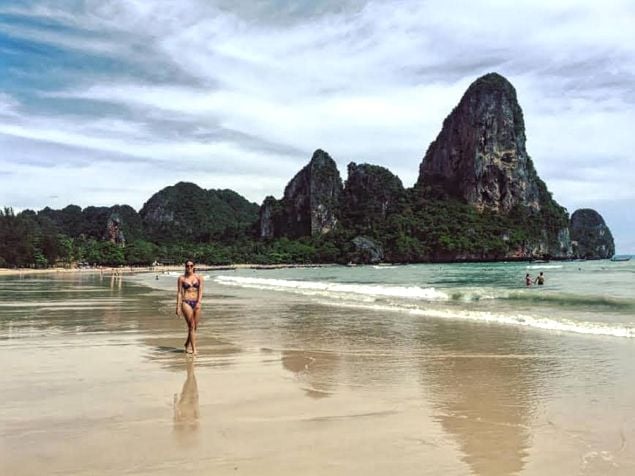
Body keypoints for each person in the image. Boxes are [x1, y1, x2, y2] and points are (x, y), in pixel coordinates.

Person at [176, 260, 204, 354]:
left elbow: (200, 290)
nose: (189, 267)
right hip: (186, 302)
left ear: (194, 266)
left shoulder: (199, 277)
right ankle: (194, 349)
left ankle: (187, 344)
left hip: (196, 302)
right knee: (191, 326)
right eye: (187, 266)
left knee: (194, 327)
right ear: (185, 267)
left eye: (191, 265)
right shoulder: (181, 278)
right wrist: (178, 306)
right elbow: (179, 293)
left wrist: (199, 302)